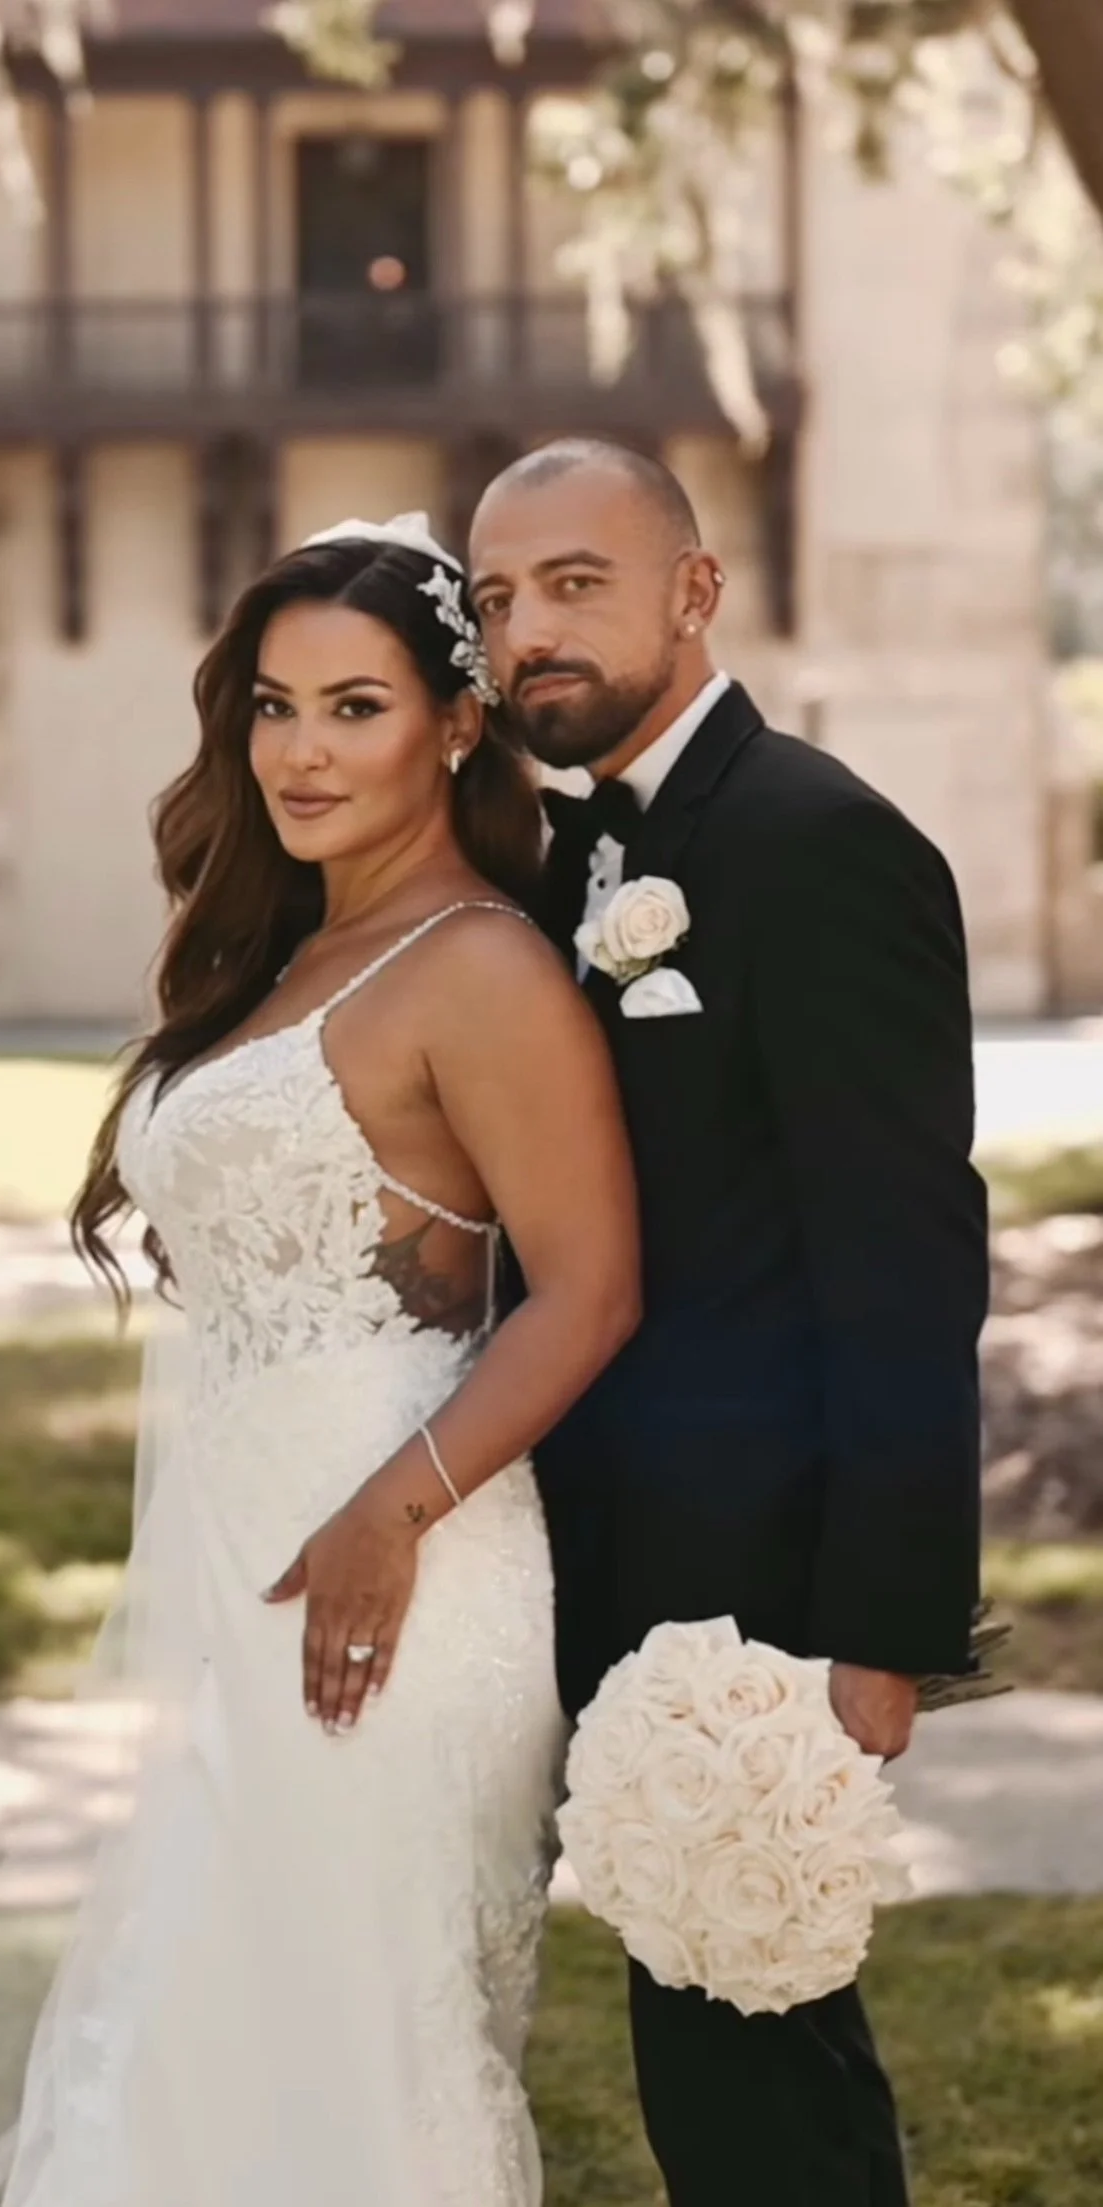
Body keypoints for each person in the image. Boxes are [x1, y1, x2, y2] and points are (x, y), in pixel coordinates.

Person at [0, 514, 640, 2207]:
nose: (299, 752)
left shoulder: (478, 965)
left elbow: (589, 1291)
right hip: (238, 1543)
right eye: (271, 705)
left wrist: (386, 1518)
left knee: (341, 2035)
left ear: (454, 726)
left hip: (402, 1562)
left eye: (354, 707)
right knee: (191, 2011)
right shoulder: (284, 950)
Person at [470, 441, 989, 2207]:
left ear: (694, 590)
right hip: (599, 1564)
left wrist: (879, 1628)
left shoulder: (821, 845)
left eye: (574, 582)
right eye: (495, 598)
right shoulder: (557, 864)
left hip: (763, 1597)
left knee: (762, 2076)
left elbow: (906, 1263)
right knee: (703, 2073)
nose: (526, 628)